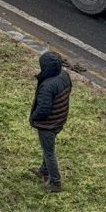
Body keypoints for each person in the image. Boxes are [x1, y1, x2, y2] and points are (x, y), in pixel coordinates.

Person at [30, 50, 73, 192]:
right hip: (59, 119)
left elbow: (43, 109)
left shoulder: (47, 86)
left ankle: (55, 182)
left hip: (47, 124)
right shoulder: (64, 76)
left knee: (49, 151)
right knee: (47, 146)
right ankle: (43, 170)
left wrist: (34, 117)